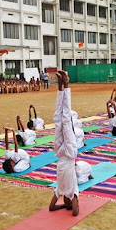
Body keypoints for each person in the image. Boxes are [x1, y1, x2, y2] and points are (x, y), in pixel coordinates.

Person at [48, 70, 79, 216]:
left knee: (57, 119)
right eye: (68, 203)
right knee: (66, 118)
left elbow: (51, 208)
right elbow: (75, 212)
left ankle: (60, 86)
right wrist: (71, 201)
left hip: (60, 153)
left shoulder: (59, 190)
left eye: (66, 202)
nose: (67, 202)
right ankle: (67, 84)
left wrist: (61, 205)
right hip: (70, 153)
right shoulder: (73, 191)